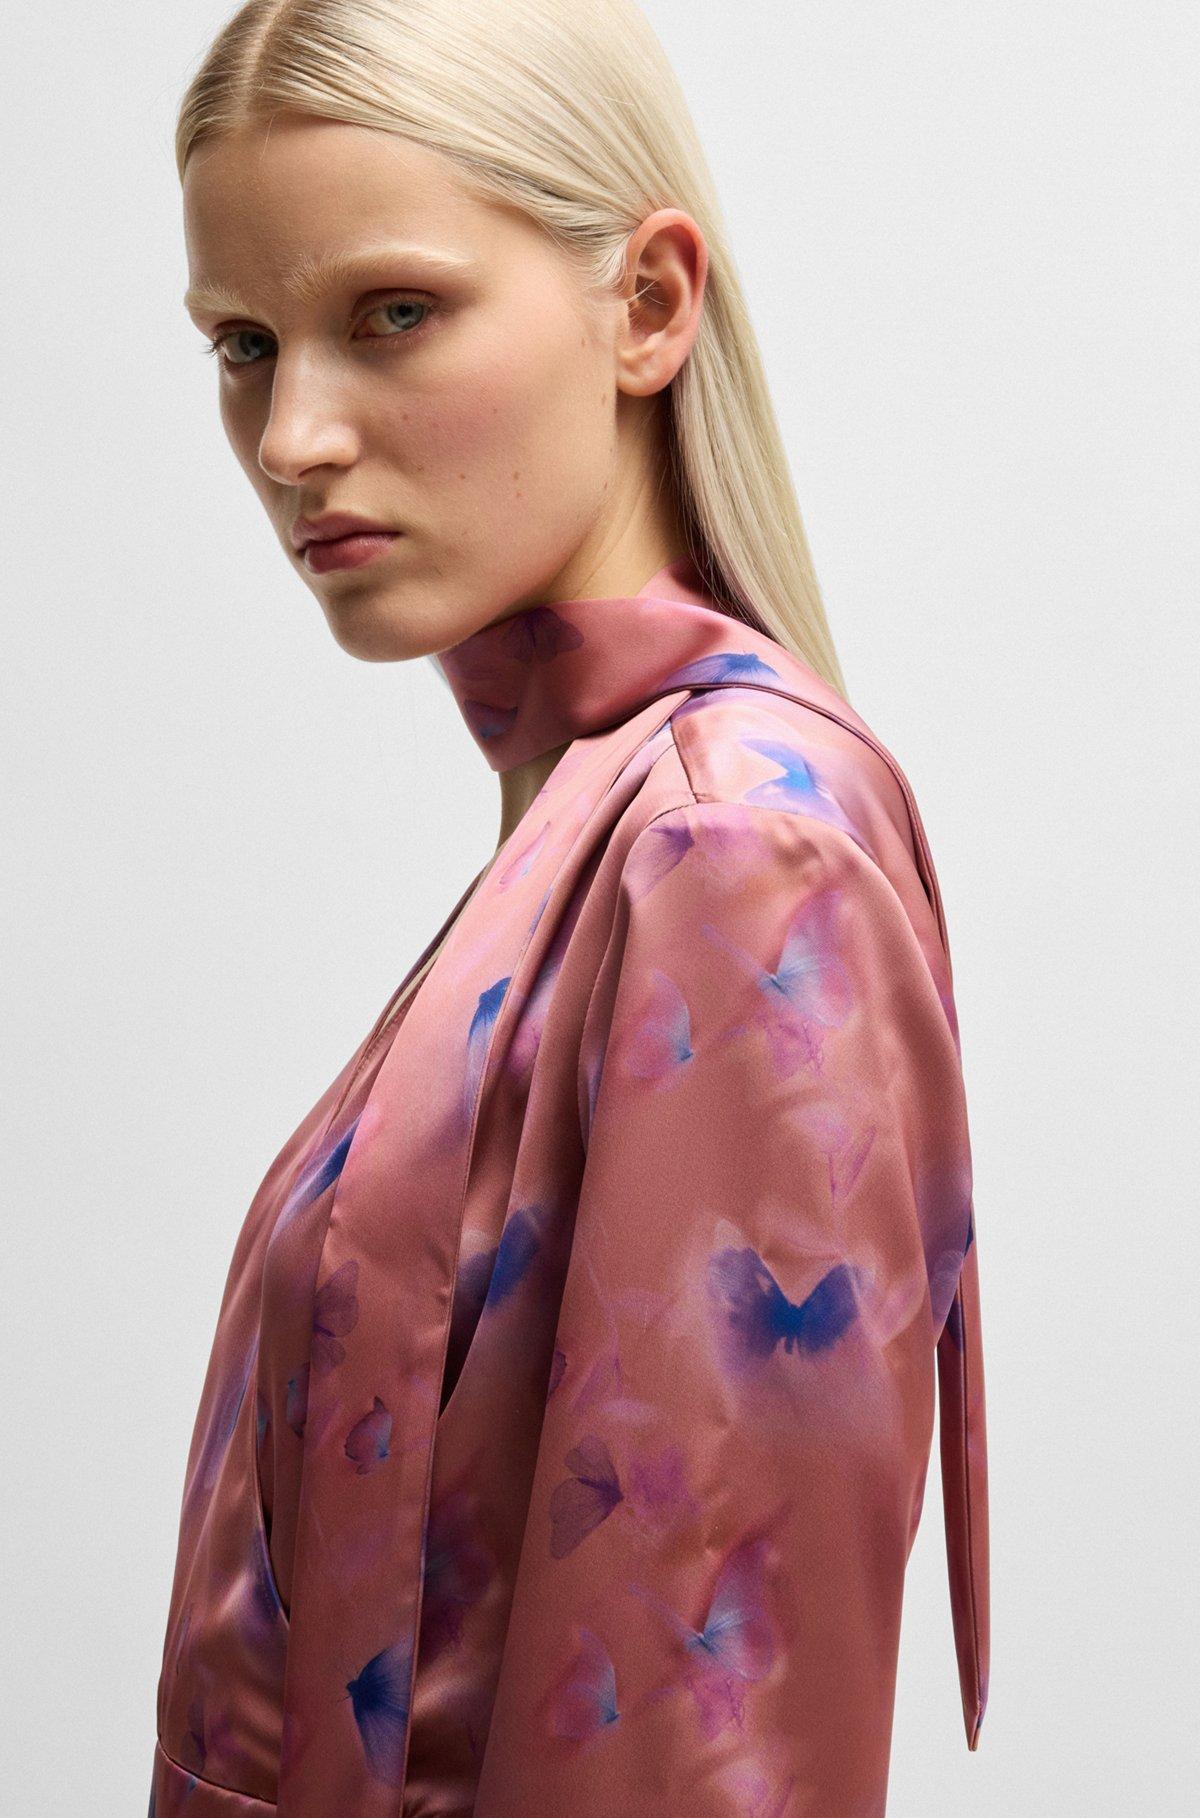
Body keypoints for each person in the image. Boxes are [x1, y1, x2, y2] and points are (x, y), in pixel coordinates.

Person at [151, 2, 990, 1813]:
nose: (292, 434)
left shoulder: (732, 855)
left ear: (649, 304)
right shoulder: (602, 821)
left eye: (393, 312)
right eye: (243, 343)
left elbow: (697, 1748)